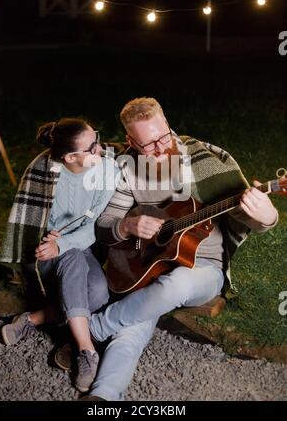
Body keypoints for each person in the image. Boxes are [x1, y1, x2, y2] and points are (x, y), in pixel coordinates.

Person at [79, 96, 278, 401]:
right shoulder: (126, 168)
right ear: (131, 141)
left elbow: (251, 216)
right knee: (131, 328)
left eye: (163, 136)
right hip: (148, 264)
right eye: (149, 145)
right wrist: (128, 226)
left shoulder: (205, 160)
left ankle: (92, 328)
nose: (160, 148)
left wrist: (267, 216)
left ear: (168, 124)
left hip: (202, 269)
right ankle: (103, 396)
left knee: (177, 283)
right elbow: (105, 225)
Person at [0, 118, 119, 393]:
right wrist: (53, 240)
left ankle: (33, 319)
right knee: (74, 260)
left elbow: (94, 225)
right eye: (92, 147)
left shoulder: (108, 170)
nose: (100, 149)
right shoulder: (43, 173)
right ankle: (87, 351)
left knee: (99, 293)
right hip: (43, 251)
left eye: (97, 140)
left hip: (78, 244)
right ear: (70, 157)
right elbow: (33, 226)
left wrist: (63, 244)